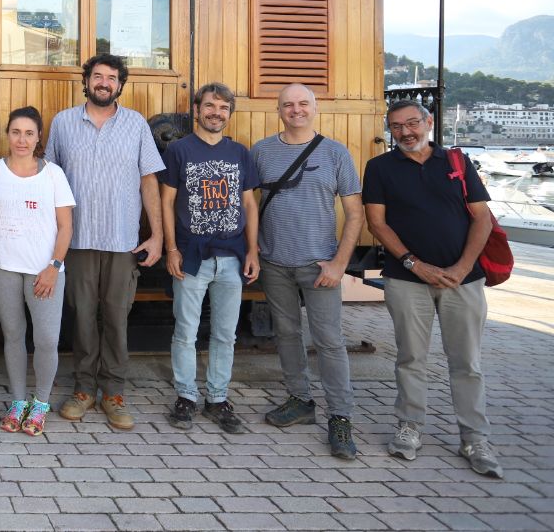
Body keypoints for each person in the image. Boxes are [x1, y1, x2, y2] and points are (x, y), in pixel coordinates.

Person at [363, 100, 502, 478]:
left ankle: (474, 437)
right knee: (411, 358)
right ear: (390, 130)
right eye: (396, 126)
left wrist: (460, 268)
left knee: (467, 362)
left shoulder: (456, 162)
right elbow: (378, 224)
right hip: (407, 279)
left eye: (412, 123)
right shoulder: (379, 168)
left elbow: (482, 219)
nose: (405, 132)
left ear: (428, 122)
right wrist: (414, 263)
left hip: (464, 280)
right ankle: (409, 428)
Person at [45, 53, 164, 430]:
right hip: (76, 240)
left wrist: (157, 235)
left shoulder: (136, 125)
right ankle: (83, 389)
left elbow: (149, 181)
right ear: (86, 81)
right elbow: (49, 179)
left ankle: (113, 392)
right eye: (97, 76)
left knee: (115, 318)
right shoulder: (63, 123)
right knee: (81, 317)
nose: (103, 83)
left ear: (120, 85)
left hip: (121, 241)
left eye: (111, 78)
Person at [253, 83, 361, 460]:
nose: (295, 110)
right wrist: (253, 250)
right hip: (274, 262)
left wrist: (340, 263)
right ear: (278, 109)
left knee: (330, 342)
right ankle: (300, 399)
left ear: (314, 108)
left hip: (320, 266)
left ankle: (340, 417)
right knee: (286, 334)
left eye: (302, 104)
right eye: (288, 105)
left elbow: (355, 213)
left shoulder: (335, 153)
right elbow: (250, 207)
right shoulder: (261, 151)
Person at [161, 82, 260, 435]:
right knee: (185, 331)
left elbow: (249, 203)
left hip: (232, 256)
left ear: (229, 113)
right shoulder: (179, 150)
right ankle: (186, 396)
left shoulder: (240, 153)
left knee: (225, 333)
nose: (216, 113)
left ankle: (217, 398)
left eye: (223, 108)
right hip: (191, 257)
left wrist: (252, 250)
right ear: (197, 109)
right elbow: (167, 201)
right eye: (210, 106)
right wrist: (171, 248)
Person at [0, 106, 74, 437]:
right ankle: (18, 401)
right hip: (3, 267)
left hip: (44, 271)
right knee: (13, 335)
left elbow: (65, 227)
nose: (21, 139)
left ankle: (41, 404)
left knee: (47, 339)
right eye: (15, 132)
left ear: (39, 138)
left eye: (29, 133)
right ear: (7, 135)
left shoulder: (53, 175)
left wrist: (54, 266)